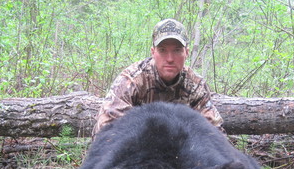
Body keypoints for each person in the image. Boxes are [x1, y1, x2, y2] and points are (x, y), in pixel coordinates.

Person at [92, 18, 224, 137]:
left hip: (180, 150)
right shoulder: (131, 81)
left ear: (187, 53)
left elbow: (215, 134)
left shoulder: (196, 86)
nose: (170, 59)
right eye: (162, 50)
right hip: (136, 148)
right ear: (153, 52)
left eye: (177, 50)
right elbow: (106, 131)